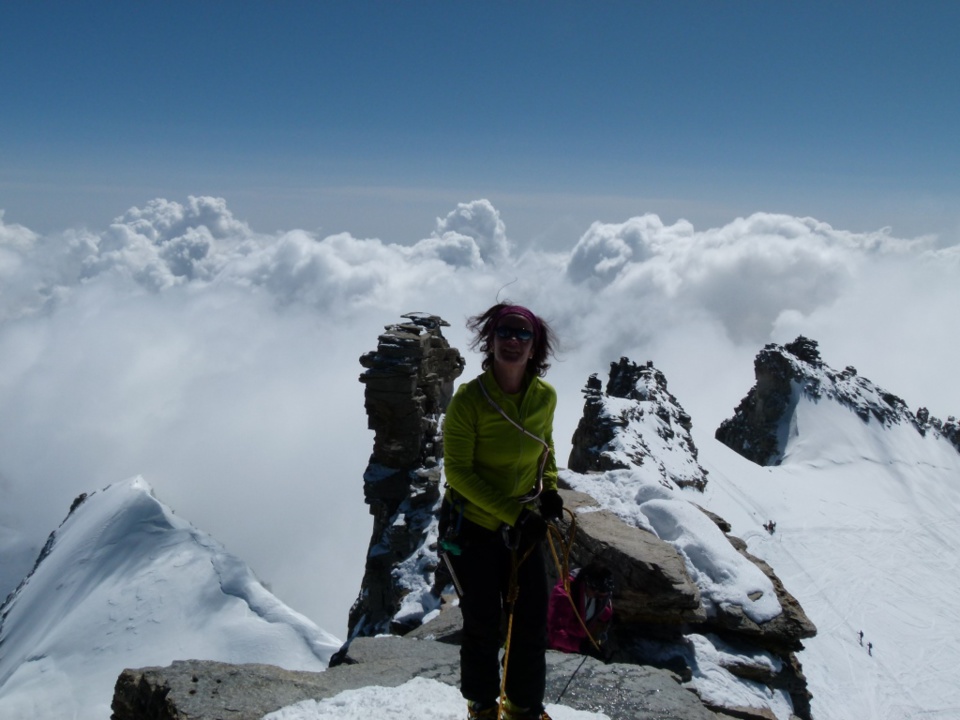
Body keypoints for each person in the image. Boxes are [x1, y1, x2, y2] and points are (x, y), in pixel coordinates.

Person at [441, 302, 562, 720]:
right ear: (489, 342)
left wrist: (550, 490)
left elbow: (546, 447)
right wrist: (514, 513)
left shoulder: (544, 397)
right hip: (476, 527)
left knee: (530, 621)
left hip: (523, 527)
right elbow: (457, 473)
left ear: (535, 347)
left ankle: (524, 707)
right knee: (483, 621)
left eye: (522, 334)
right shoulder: (469, 401)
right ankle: (482, 706)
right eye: (504, 333)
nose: (513, 341)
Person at [547, 563, 614, 659]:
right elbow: (554, 634)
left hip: (578, 644)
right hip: (557, 650)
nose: (600, 599)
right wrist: (581, 646)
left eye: (604, 596)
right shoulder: (565, 594)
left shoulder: (598, 593)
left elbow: (602, 608)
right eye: (598, 596)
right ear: (588, 584)